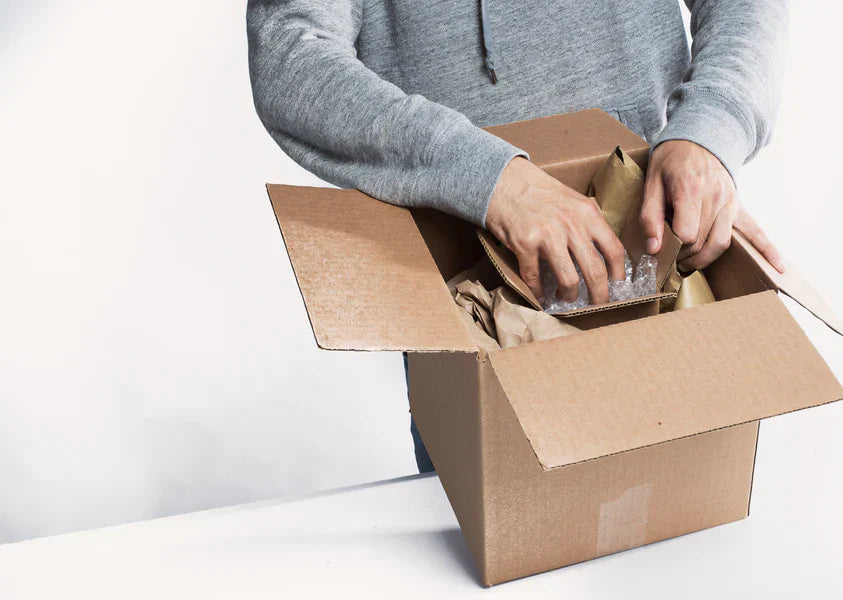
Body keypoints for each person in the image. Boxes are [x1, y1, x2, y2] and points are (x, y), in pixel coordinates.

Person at [247, 0, 788, 473]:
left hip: (652, 228)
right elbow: (290, 55)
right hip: (463, 277)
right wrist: (494, 180)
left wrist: (712, 128)